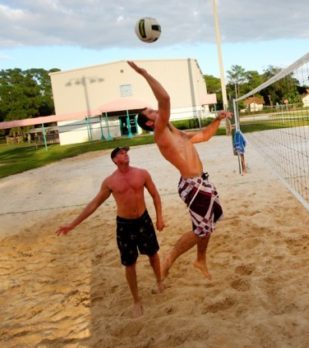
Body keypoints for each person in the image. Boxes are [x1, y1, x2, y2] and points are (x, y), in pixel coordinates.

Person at [127, 60, 231, 281]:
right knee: (201, 229)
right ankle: (170, 259)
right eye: (151, 112)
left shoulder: (175, 133)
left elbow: (204, 136)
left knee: (209, 223)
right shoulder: (160, 132)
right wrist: (144, 73)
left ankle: (200, 259)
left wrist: (217, 119)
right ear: (148, 123)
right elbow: (165, 99)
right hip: (192, 185)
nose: (156, 111)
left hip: (202, 181)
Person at [56, 146, 165, 318]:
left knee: (153, 254)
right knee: (129, 264)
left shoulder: (142, 173)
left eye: (126, 152)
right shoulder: (110, 182)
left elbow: (155, 196)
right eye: (121, 153)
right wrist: (72, 224)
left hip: (143, 220)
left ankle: (159, 281)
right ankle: (136, 300)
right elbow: (94, 204)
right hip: (124, 225)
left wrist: (159, 217)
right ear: (115, 160)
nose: (126, 154)